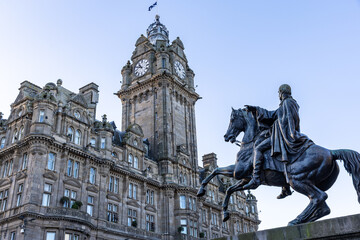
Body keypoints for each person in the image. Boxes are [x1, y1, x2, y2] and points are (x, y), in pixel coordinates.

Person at [243, 84, 313, 189]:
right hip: (284, 134)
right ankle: (285, 186)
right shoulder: (290, 104)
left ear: (281, 93)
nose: (278, 95)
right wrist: (256, 109)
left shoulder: (287, 103)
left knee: (258, 148)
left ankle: (256, 178)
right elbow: (274, 115)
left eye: (278, 93)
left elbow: (277, 117)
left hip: (282, 136)